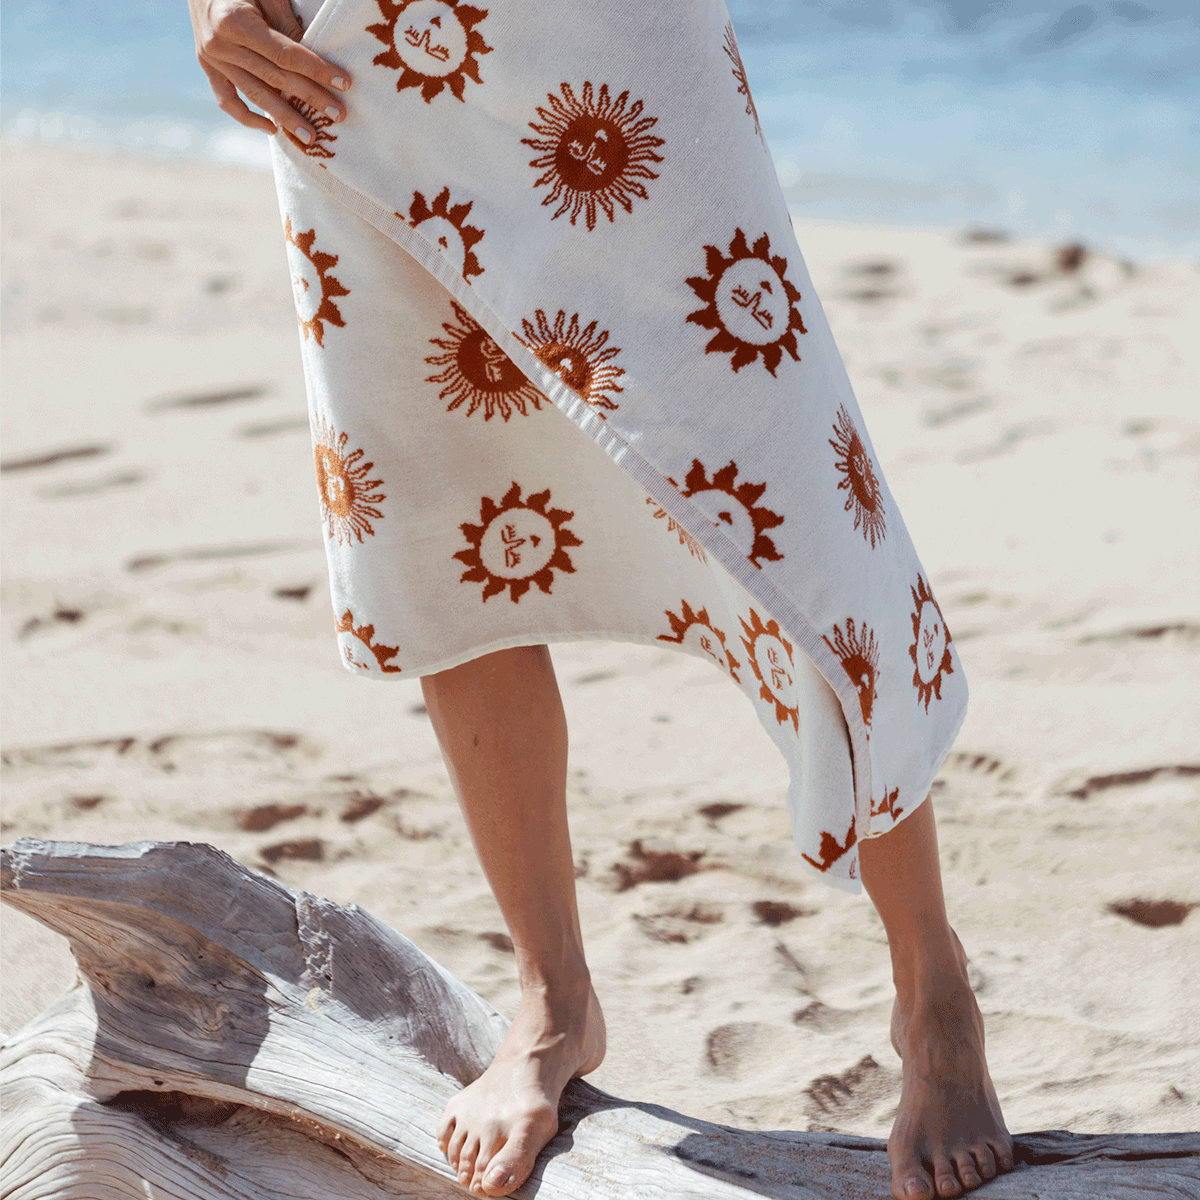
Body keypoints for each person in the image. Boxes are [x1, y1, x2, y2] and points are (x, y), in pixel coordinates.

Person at [185, 2, 1015, 1198]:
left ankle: (934, 993)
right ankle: (553, 1000)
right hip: (338, 40)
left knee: (788, 473)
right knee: (446, 506)